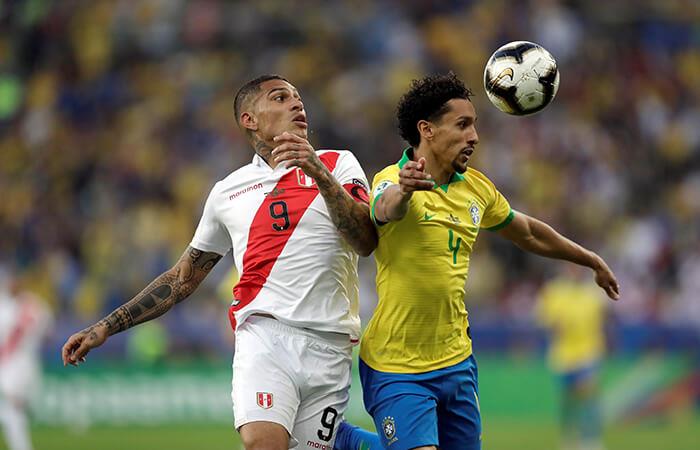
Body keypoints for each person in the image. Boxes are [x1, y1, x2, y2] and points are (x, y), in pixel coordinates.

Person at [62, 74, 380, 450]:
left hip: (331, 344)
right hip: (266, 336)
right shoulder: (228, 192)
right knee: (262, 443)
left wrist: (318, 173)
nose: (297, 105)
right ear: (250, 119)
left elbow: (365, 241)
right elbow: (182, 279)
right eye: (280, 98)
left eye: (298, 99)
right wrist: (107, 326)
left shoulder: (338, 163)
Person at [359, 72, 620, 450]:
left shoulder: (477, 189)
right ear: (427, 130)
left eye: (475, 126)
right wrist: (405, 189)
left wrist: (589, 259)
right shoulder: (391, 179)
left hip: (456, 360)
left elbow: (527, 232)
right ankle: (344, 440)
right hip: (397, 365)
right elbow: (385, 209)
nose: (474, 137)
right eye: (462, 125)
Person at [536, 266, 609, 450]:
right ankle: (568, 438)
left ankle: (591, 440)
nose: (575, 270)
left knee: (587, 397)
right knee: (567, 401)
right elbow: (544, 319)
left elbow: (602, 321)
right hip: (562, 355)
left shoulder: (593, 293)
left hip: (588, 353)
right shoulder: (555, 291)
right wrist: (555, 325)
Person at [0, 269, 53, 450]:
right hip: (22, 362)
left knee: (16, 406)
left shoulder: (7, 306)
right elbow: (48, 332)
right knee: (15, 405)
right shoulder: (35, 304)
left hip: (15, 362)